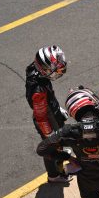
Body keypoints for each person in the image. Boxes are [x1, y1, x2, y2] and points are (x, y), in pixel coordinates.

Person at [25, 45, 71, 183]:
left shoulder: (35, 70)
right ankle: (55, 175)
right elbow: (41, 118)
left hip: (50, 110)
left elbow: (48, 98)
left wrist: (57, 108)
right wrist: (50, 135)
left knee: (55, 146)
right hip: (47, 120)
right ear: (43, 69)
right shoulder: (38, 92)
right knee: (53, 148)